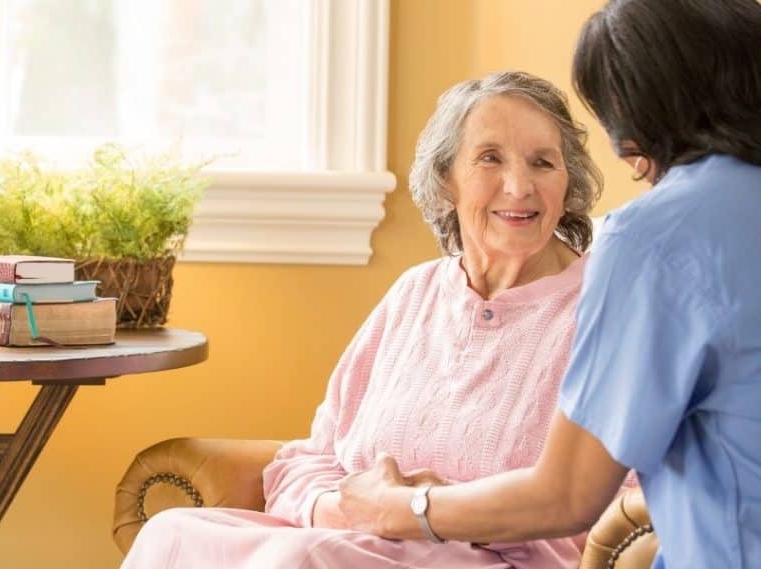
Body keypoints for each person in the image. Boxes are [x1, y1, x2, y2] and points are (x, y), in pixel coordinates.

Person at [121, 70, 609, 568]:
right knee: (173, 532)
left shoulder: (605, 309)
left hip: (494, 559)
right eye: (490, 158)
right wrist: (345, 511)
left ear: (567, 183)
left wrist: (422, 515)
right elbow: (314, 456)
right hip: (346, 540)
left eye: (543, 162)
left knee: (300, 559)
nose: (519, 186)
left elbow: (611, 506)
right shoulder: (415, 293)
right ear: (446, 182)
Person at [333, 2, 761, 569]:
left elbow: (570, 494)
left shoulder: (652, 239)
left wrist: (399, 508)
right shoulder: (415, 294)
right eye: (490, 158)